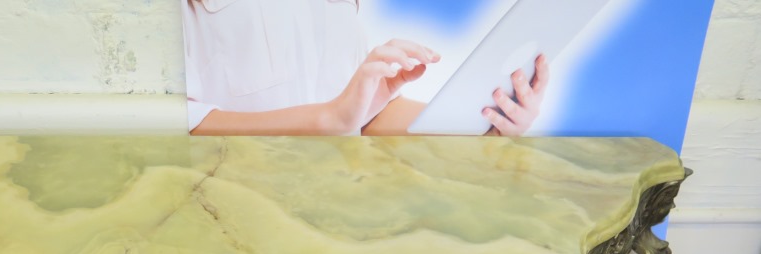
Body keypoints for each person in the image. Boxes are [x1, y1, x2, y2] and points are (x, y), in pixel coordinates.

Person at [182, 0, 548, 136]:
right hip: (235, 221)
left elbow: (362, 118)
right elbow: (174, 122)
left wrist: (485, 123)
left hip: (337, 215)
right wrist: (328, 120)